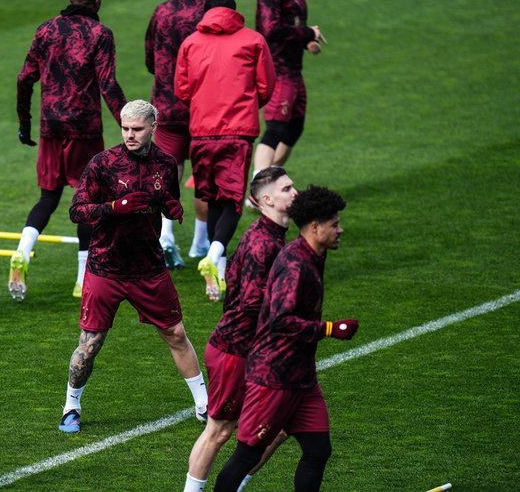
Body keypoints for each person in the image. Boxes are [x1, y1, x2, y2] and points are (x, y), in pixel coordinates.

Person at [59, 100, 207, 434]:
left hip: (148, 268)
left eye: (137, 129)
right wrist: (114, 207)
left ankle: (203, 405)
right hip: (105, 267)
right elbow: (77, 211)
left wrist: (171, 207)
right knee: (90, 343)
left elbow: (165, 199)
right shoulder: (103, 163)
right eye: (125, 128)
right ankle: (71, 406)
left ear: (154, 127)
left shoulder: (165, 164)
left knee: (176, 333)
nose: (129, 135)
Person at [214, 185, 359, 492]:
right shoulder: (295, 264)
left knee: (318, 450)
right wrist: (330, 329)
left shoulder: (315, 254)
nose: (340, 230)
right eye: (335, 224)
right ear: (315, 227)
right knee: (247, 455)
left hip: (301, 378)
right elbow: (280, 320)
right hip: (273, 378)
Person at [13, 0, 127, 301]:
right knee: (88, 201)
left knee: (48, 198)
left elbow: (24, 78)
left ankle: (22, 251)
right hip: (84, 129)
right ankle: (81, 279)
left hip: (50, 127)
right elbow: (108, 85)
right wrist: (130, 125)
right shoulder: (101, 34)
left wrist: (25, 122)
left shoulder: (46, 30)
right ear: (97, 1)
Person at [184, 167, 296, 491]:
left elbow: (232, 273)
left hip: (253, 349)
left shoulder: (268, 234)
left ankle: (233, 484)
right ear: (267, 200)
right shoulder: (264, 243)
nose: (295, 193)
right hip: (236, 350)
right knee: (219, 431)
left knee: (285, 423)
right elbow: (250, 304)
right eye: (287, 189)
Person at [175, 0, 275, 301]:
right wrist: (244, 105)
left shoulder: (190, 43)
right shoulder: (253, 40)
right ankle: (213, 256)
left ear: (205, 11)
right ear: (234, 11)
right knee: (232, 200)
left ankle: (217, 268)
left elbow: (182, 89)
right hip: (237, 131)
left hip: (201, 132)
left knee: (213, 199)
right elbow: (266, 87)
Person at [145, 0, 227, 269]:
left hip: (167, 106)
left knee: (169, 170)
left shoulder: (163, 10)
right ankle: (200, 243)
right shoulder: (214, 13)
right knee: (206, 174)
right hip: (204, 108)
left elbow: (150, 58)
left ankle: (165, 236)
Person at [251, 0, 326, 177]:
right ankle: (259, 187)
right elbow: (270, 30)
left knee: (294, 127)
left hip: (294, 70)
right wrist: (308, 33)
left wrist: (306, 41)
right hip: (276, 70)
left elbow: (292, 26)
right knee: (275, 128)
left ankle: (270, 180)